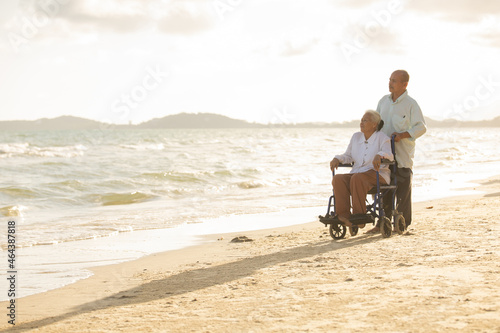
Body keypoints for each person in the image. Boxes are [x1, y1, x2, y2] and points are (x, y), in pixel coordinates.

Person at [367, 70, 426, 234]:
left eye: (394, 80)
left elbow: (421, 127)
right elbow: (376, 125)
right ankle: (381, 224)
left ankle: (402, 225)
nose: (390, 83)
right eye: (390, 79)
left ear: (404, 84)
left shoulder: (411, 104)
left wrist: (403, 135)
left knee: (402, 190)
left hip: (402, 155)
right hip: (385, 154)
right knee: (384, 188)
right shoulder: (383, 102)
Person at [330, 111, 394, 233]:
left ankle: (359, 217)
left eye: (365, 120)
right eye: (361, 120)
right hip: (358, 173)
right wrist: (337, 158)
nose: (361, 123)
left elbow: (389, 155)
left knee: (357, 178)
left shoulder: (382, 138)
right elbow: (348, 156)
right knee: (338, 179)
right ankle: (343, 216)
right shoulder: (356, 137)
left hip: (377, 173)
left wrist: (379, 156)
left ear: (374, 124)